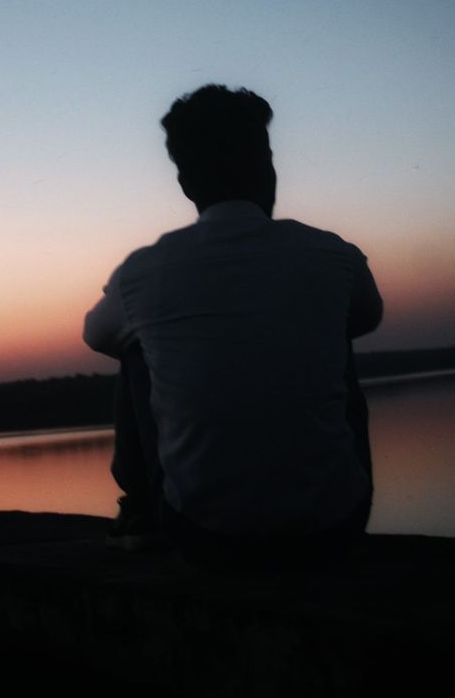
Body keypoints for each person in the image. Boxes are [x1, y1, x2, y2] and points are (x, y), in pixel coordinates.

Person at [83, 84, 382, 572]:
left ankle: (140, 509)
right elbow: (367, 317)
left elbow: (97, 336)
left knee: (134, 345)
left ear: (185, 182)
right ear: (266, 165)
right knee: (334, 326)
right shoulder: (332, 254)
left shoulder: (143, 272)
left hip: (204, 539)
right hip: (336, 530)